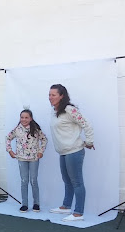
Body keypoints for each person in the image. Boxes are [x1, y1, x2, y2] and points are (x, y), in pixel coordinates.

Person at [47, 84, 95, 222]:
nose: (50, 97)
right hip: (63, 151)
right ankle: (66, 206)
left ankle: (78, 213)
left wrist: (89, 142)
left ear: (62, 96)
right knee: (67, 180)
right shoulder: (55, 111)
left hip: (74, 151)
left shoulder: (70, 110)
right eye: (49, 95)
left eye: (53, 95)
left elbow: (86, 124)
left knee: (77, 182)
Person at [6, 109, 48, 213]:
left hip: (34, 158)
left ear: (31, 118)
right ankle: (24, 204)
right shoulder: (17, 129)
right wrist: (10, 150)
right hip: (21, 158)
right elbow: (8, 138)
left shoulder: (36, 129)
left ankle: (36, 203)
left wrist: (41, 151)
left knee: (33, 180)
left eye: (26, 117)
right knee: (24, 181)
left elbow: (44, 139)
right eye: (22, 117)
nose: (24, 119)